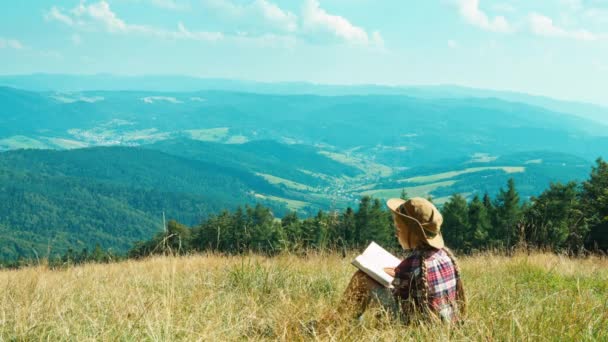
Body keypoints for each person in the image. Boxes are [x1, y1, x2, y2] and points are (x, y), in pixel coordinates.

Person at [316, 197, 466, 331]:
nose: (396, 233)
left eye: (399, 228)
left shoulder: (411, 265)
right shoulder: (443, 255)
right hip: (443, 325)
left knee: (362, 278)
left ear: (412, 233)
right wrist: (396, 273)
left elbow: (399, 299)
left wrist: (379, 276)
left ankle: (334, 325)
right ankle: (341, 324)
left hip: (413, 327)